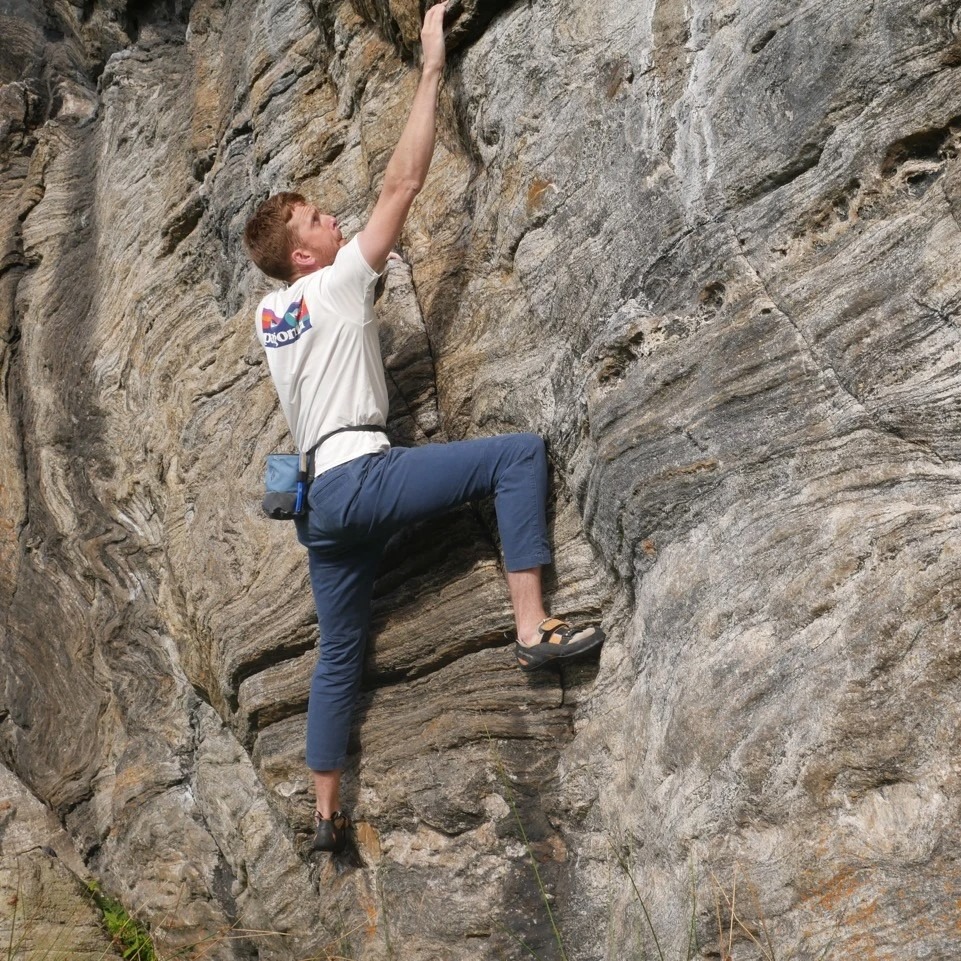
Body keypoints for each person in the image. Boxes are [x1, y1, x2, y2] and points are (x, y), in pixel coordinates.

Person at [242, 1, 604, 853]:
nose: (335, 220)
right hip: (363, 475)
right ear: (302, 255)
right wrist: (432, 67)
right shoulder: (329, 285)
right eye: (319, 220)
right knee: (515, 456)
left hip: (319, 510)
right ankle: (531, 629)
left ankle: (324, 812)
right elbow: (402, 186)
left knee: (339, 655)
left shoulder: (269, 316)